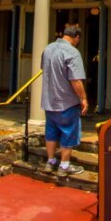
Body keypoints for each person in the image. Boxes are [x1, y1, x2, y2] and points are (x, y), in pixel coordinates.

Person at [40, 24, 87, 177]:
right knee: (69, 132)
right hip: (66, 101)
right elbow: (76, 80)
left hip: (49, 101)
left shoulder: (48, 49)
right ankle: (64, 165)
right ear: (77, 37)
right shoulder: (72, 52)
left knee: (51, 132)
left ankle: (50, 161)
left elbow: (43, 69)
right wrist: (83, 98)